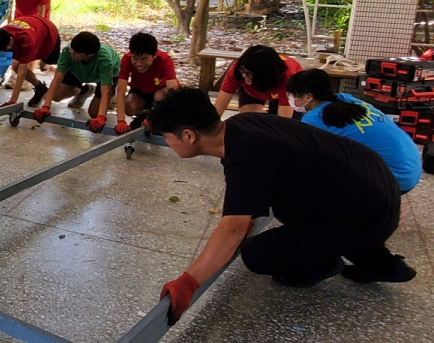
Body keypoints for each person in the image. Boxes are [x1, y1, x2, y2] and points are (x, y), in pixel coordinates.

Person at [149, 88, 414, 325]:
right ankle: (381, 264)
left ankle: (323, 263)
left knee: (258, 253)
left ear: (188, 135)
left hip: (369, 212)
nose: (168, 143)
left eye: (168, 137)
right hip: (377, 188)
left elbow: (232, 230)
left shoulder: (245, 156)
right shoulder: (241, 124)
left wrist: (189, 282)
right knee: (286, 206)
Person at [287, 69, 422, 194]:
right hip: (412, 165)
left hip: (396, 178)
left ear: (308, 97)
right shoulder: (346, 99)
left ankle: (371, 209)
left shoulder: (313, 119)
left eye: (293, 96)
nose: (291, 100)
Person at [33, 31, 119, 132]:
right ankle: (83, 90)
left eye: (76, 52)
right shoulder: (68, 52)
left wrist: (101, 117)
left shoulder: (105, 60)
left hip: (105, 77)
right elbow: (57, 79)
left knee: (94, 113)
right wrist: (46, 106)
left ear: (90, 55)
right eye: (72, 49)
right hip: (77, 71)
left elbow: (106, 90)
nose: (72, 53)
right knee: (55, 96)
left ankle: (112, 97)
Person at [0, 15, 59, 109]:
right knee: (16, 66)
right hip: (33, 27)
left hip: (48, 34)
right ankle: (40, 88)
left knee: (44, 67)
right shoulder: (0, 37)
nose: (6, 52)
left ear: (11, 41)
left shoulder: (27, 41)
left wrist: (12, 102)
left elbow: (22, 73)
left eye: (7, 50)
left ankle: (74, 86)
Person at [114, 32, 179, 134]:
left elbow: (173, 91)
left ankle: (156, 117)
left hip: (160, 92)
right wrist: (121, 121)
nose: (139, 64)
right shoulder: (126, 59)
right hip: (140, 92)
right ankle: (144, 116)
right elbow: (121, 91)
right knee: (129, 105)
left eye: (144, 59)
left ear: (154, 55)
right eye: (135, 58)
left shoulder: (165, 60)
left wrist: (154, 117)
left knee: (161, 96)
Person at [213, 45, 302, 118]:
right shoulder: (238, 70)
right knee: (250, 119)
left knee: (287, 128)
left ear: (264, 74)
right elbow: (218, 109)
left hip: (288, 91)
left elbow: (284, 121)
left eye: (248, 73)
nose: (244, 75)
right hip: (254, 89)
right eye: (242, 71)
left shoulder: (288, 77)